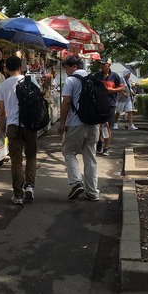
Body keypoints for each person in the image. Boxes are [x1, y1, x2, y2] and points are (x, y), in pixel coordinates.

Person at [0, 55, 38, 205]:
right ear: (21, 67)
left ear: (6, 68)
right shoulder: (30, 80)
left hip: (12, 125)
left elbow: (1, 111)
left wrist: (2, 126)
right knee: (31, 156)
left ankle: (18, 194)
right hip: (29, 124)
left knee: (16, 161)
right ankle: (29, 186)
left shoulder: (3, 85)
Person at [58, 55, 99, 201]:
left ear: (74, 66)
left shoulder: (71, 80)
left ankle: (76, 182)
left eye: (67, 68)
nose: (66, 72)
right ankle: (93, 192)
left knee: (68, 152)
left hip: (75, 123)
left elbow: (66, 102)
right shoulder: (94, 79)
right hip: (94, 124)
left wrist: (62, 123)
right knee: (90, 157)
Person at [94, 58, 124, 156]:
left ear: (109, 65)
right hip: (98, 103)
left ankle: (106, 147)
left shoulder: (115, 76)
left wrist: (113, 90)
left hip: (110, 104)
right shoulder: (97, 75)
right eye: (101, 64)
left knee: (108, 126)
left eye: (104, 64)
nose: (102, 66)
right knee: (98, 125)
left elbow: (122, 88)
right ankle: (99, 141)